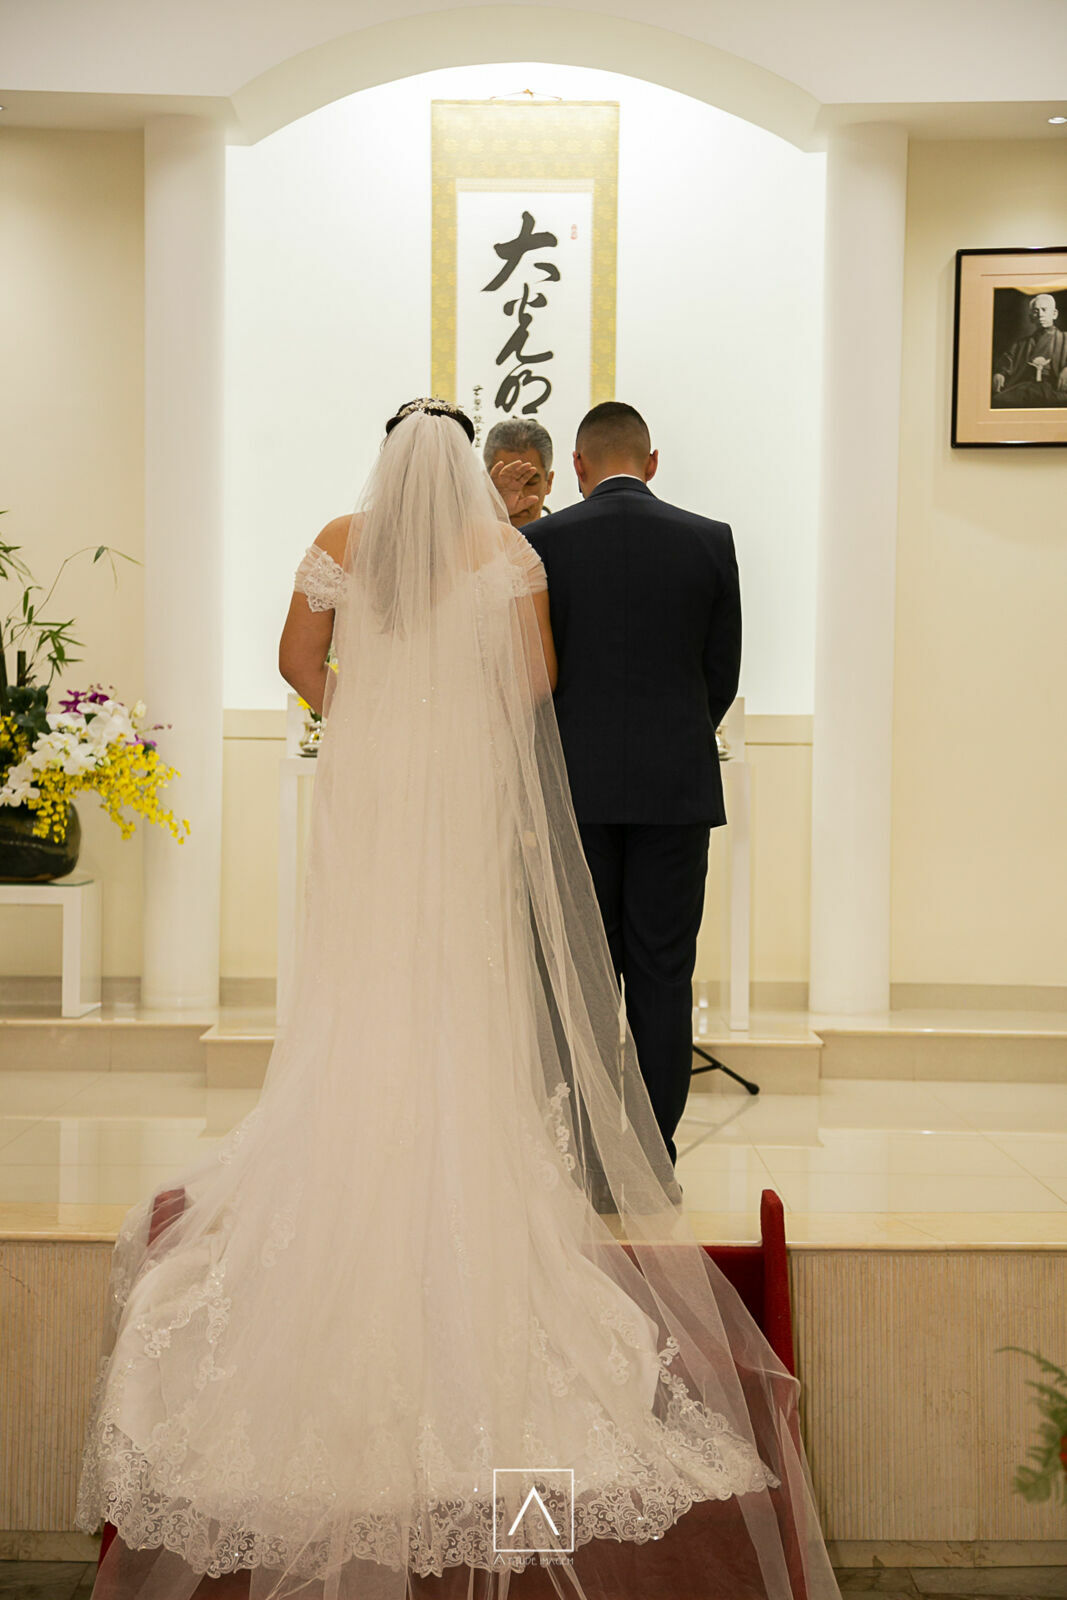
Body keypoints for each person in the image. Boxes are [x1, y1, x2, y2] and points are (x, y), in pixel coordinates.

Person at [75, 399, 837, 1600]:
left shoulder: (344, 530)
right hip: (463, 801)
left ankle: (352, 1152)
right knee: (468, 978)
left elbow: (294, 662)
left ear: (383, 457)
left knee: (364, 973)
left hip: (373, 793)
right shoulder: (508, 552)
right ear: (470, 463)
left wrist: (372, 718)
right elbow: (534, 680)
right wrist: (453, 732)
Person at [526, 402, 741, 1167]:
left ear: (576, 468)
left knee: (580, 975)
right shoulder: (708, 540)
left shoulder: (538, 543)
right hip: (673, 794)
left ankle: (584, 1153)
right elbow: (720, 675)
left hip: (573, 793)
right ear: (652, 462)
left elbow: (530, 675)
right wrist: (671, 743)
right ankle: (652, 1158)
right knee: (662, 972)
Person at [991, 292, 1067, 406]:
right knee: (998, 400)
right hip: (1025, 387)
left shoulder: (1065, 338)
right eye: (1036, 311)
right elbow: (1007, 361)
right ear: (1031, 317)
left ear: (1054, 314)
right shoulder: (1021, 344)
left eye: (1044, 310)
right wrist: (1000, 373)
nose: (1040, 314)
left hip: (1053, 387)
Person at [483, 416, 555, 527]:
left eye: (530, 482)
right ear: (486, 482)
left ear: (549, 482)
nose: (517, 496)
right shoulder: (464, 540)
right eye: (505, 481)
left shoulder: (568, 542)